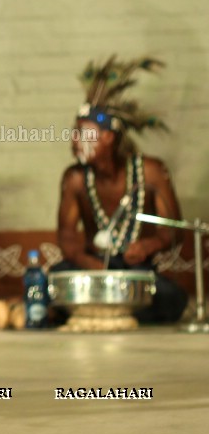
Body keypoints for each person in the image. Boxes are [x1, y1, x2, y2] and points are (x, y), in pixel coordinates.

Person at [53, 56, 187, 324]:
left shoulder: (150, 172)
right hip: (92, 268)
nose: (75, 141)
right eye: (74, 133)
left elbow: (172, 230)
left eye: (84, 134)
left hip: (135, 270)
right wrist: (87, 261)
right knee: (52, 283)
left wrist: (146, 245)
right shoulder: (75, 179)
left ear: (109, 138)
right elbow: (66, 237)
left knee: (171, 297)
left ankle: (103, 310)